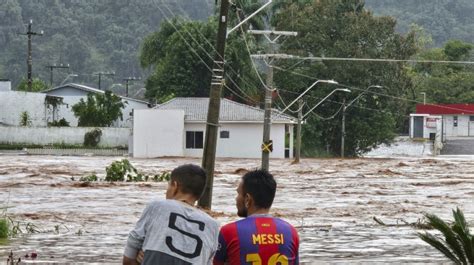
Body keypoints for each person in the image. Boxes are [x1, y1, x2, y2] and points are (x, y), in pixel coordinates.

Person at [123, 164, 219, 265]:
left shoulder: (157, 206)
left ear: (175, 186)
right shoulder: (213, 225)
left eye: (169, 185)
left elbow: (131, 251)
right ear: (199, 194)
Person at [213, 169, 299, 265]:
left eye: (238, 194)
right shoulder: (291, 232)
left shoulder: (229, 231)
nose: (236, 198)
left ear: (247, 199)